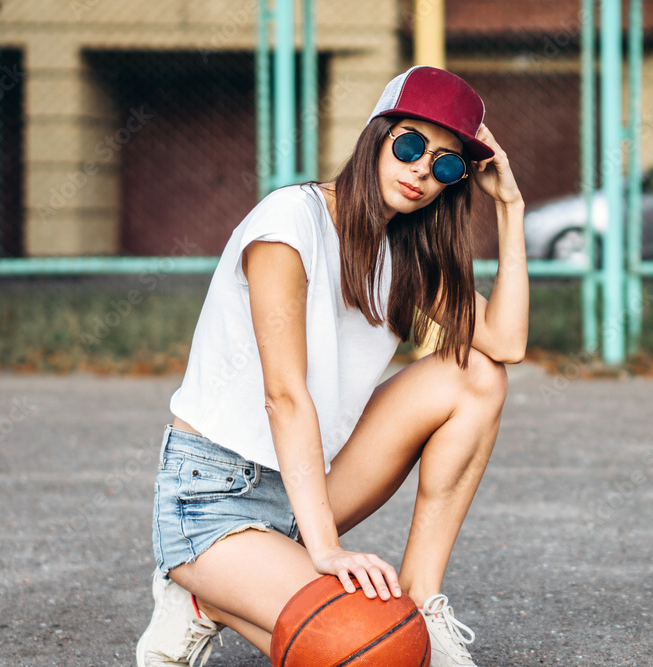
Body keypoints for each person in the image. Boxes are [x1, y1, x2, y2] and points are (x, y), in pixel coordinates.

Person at [136, 65, 529, 667]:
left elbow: (505, 342)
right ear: (377, 136)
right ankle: (200, 591)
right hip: (214, 498)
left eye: (448, 163)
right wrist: (327, 551)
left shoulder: (406, 255)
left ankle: (422, 605)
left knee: (477, 376)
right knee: (367, 653)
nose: (425, 169)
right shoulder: (288, 223)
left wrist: (511, 209)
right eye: (411, 145)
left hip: (306, 488)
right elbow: (285, 396)